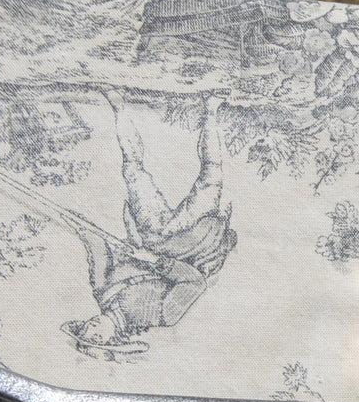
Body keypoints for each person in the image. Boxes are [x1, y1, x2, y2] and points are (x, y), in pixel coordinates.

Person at [63, 90, 236, 358]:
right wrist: (156, 262)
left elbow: (98, 251)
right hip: (190, 242)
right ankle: (211, 109)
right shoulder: (163, 315)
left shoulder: (103, 293)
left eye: (85, 330)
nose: (91, 326)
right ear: (115, 339)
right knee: (211, 175)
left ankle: (118, 104)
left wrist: (79, 227)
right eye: (96, 336)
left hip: (151, 234)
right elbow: (195, 282)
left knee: (133, 169)